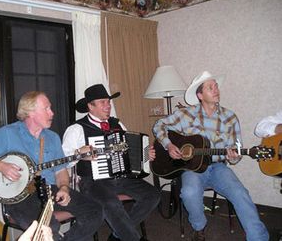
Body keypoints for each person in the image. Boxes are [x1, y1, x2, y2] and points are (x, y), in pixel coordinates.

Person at [153, 71, 269, 241]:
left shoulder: (230, 118)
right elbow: (158, 125)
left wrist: (234, 156)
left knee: (241, 194)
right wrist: (169, 145)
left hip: (218, 167)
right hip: (192, 169)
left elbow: (236, 151)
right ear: (200, 95)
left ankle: (259, 238)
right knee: (188, 193)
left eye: (216, 86)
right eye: (210, 87)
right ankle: (199, 226)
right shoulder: (186, 114)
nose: (216, 90)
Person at [0, 91, 103, 241]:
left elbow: (60, 171)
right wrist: (1, 166)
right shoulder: (8, 134)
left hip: (50, 190)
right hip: (20, 197)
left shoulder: (53, 137)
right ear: (30, 112)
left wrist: (64, 188)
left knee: (95, 210)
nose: (52, 113)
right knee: (48, 228)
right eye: (46, 108)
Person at [62, 84, 160, 241]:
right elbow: (64, 161)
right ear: (90, 106)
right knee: (111, 203)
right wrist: (79, 154)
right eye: (103, 102)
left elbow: (129, 149)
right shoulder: (77, 129)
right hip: (93, 181)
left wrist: (145, 155)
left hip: (121, 177)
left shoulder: (117, 124)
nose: (108, 106)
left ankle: (117, 235)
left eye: (108, 102)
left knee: (152, 195)